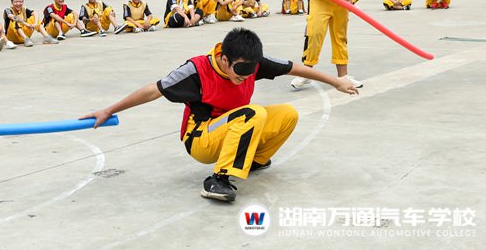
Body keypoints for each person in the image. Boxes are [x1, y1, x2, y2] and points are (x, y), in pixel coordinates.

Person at [83, 28, 358, 202]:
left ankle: (253, 161)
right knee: (252, 113)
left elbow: (294, 68)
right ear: (225, 59)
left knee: (288, 113)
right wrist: (109, 110)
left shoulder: (252, 63)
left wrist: (336, 82)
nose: (245, 77)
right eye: (241, 71)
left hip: (232, 128)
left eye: (250, 72)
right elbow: (153, 91)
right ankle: (217, 179)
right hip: (201, 139)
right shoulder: (196, 71)